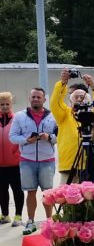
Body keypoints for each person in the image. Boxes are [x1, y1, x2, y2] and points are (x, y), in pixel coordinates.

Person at [9, 88, 57, 235]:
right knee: (30, 192)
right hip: (27, 160)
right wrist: (26, 140)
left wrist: (49, 137)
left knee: (48, 193)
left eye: (39, 97)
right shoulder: (19, 116)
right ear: (29, 98)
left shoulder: (53, 116)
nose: (36, 99)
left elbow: (58, 136)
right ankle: (30, 221)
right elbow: (12, 137)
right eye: (33, 97)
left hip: (47, 160)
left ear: (44, 99)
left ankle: (49, 222)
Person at [50, 69, 94, 184]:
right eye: (76, 97)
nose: (80, 99)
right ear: (70, 100)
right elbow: (55, 102)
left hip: (90, 163)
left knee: (89, 198)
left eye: (83, 97)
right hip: (69, 165)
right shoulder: (64, 115)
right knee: (68, 198)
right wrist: (62, 83)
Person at [0, 92, 24, 227]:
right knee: (2, 191)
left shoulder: (17, 120)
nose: (4, 107)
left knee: (17, 190)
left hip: (15, 163)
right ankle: (5, 215)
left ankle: (18, 216)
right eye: (1, 104)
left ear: (11, 104)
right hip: (0, 165)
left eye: (7, 104)